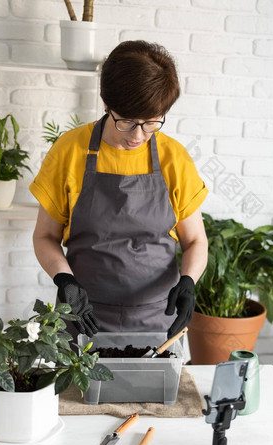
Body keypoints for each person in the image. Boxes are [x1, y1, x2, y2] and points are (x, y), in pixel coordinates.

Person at [29, 40, 208, 344]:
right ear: (105, 103)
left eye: (151, 122)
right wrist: (65, 280)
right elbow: (44, 236)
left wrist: (189, 282)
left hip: (157, 321)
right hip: (83, 316)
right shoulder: (69, 151)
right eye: (126, 121)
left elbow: (195, 240)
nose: (138, 135)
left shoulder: (173, 158)